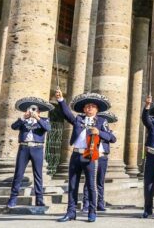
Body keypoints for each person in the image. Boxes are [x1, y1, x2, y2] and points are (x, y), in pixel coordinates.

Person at [56, 90, 114, 223]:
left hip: (90, 156)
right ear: (84, 109)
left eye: (92, 106)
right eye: (87, 106)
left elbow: (111, 138)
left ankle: (92, 212)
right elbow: (67, 114)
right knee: (72, 184)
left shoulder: (102, 121)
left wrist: (99, 132)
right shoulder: (78, 119)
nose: (89, 108)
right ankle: (71, 212)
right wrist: (60, 100)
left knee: (91, 185)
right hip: (76, 155)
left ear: (97, 109)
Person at [6, 97, 54, 208]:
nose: (32, 111)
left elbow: (48, 128)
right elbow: (13, 127)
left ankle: (39, 199)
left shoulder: (44, 120)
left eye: (35, 109)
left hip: (37, 148)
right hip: (24, 148)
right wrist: (23, 118)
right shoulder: (23, 120)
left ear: (39, 111)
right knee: (18, 174)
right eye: (31, 109)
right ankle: (13, 199)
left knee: (38, 175)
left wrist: (37, 118)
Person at [82, 111, 117, 213]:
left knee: (100, 181)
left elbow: (113, 139)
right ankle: (86, 204)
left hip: (102, 156)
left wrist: (100, 133)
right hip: (91, 155)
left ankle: (100, 203)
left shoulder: (106, 131)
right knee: (89, 180)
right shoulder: (89, 127)